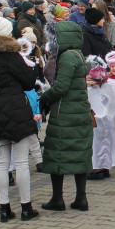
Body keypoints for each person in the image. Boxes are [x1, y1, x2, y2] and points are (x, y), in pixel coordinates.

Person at [0, 16, 40, 222]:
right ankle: (26, 206)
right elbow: (29, 82)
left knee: (2, 162)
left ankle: (4, 208)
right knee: (21, 161)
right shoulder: (10, 56)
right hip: (15, 110)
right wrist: (32, 66)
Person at [39, 18, 94, 212]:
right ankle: (81, 198)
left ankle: (57, 198)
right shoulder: (77, 54)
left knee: (57, 156)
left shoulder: (67, 57)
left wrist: (44, 98)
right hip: (79, 111)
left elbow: (61, 86)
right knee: (79, 156)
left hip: (65, 113)